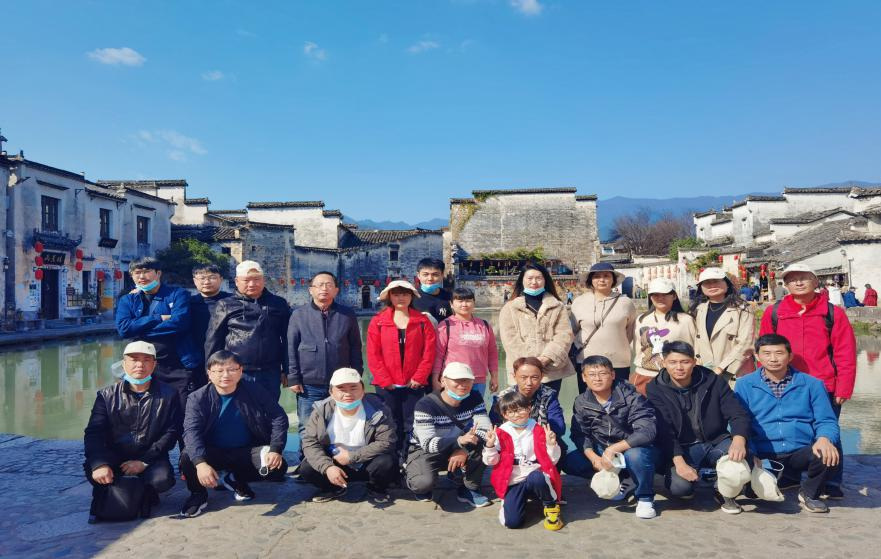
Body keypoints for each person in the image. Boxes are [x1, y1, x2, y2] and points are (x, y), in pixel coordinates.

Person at [758, 263, 856, 499]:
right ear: (785, 284)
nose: (799, 282)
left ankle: (831, 481)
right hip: (786, 384)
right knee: (793, 429)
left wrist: (844, 387)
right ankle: (791, 476)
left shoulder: (832, 313)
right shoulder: (775, 312)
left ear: (815, 281)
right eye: (793, 279)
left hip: (824, 384)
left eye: (804, 278)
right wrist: (763, 381)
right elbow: (764, 348)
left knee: (829, 432)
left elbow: (845, 352)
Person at [734, 334, 841, 513]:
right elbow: (740, 421)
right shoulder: (744, 384)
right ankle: (778, 478)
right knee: (753, 492)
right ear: (757, 357)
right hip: (762, 452)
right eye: (767, 353)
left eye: (779, 353)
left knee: (827, 450)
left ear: (790, 356)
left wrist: (824, 438)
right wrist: (751, 451)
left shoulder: (812, 384)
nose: (773, 359)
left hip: (799, 451)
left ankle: (809, 493)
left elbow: (827, 420)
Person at [178, 350, 288, 518]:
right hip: (213, 452)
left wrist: (275, 448)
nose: (225, 375)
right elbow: (191, 431)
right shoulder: (197, 398)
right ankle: (198, 494)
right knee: (188, 456)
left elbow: (278, 416)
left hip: (246, 450)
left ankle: (234, 478)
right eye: (219, 370)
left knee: (277, 468)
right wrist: (200, 464)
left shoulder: (254, 389)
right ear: (209, 373)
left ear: (241, 370)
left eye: (232, 369)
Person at [645, 341, 752, 514]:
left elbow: (737, 413)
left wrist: (739, 441)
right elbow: (665, 430)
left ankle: (723, 489)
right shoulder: (655, 388)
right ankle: (686, 478)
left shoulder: (713, 381)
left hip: (715, 441)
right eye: (673, 362)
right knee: (681, 488)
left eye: (685, 362)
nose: (679, 367)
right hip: (683, 448)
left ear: (694, 362)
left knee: (742, 457)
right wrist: (679, 463)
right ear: (664, 363)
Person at [83, 341, 181, 523]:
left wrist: (143, 461)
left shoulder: (169, 394)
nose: (140, 365)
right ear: (124, 364)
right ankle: (124, 492)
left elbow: (171, 432)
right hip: (114, 454)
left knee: (162, 479)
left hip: (150, 455)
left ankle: (144, 492)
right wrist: (99, 463)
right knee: (96, 471)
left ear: (154, 365)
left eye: (146, 360)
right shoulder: (106, 395)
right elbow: (94, 433)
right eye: (134, 359)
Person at [563, 355, 658, 519]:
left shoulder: (632, 397)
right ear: (584, 378)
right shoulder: (581, 401)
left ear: (613, 375)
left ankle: (645, 497)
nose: (597, 378)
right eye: (592, 374)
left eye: (603, 373)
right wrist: (594, 458)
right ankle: (620, 478)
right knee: (569, 461)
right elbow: (580, 434)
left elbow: (647, 431)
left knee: (636, 456)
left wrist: (613, 449)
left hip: (630, 448)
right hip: (603, 449)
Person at [298, 368, 398, 503]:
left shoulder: (379, 409)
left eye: (353, 388)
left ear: (363, 390)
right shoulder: (321, 411)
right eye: (341, 389)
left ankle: (376, 488)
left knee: (386, 462)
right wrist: (328, 467)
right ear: (331, 392)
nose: (348, 394)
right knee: (307, 467)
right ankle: (333, 488)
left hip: (366, 462)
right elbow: (310, 442)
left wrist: (352, 456)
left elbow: (387, 441)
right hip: (336, 462)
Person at [287, 271, 363, 447]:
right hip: (309, 382)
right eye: (319, 285)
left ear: (336, 290)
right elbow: (291, 347)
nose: (324, 289)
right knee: (307, 426)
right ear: (311, 290)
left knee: (340, 424)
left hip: (340, 383)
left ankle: (337, 458)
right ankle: (307, 459)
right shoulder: (299, 315)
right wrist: (293, 377)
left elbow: (355, 347)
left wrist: (357, 375)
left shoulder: (347, 314)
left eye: (329, 285)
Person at [115, 257, 199, 412]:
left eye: (146, 271)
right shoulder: (128, 300)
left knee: (180, 409)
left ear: (158, 273)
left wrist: (140, 329)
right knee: (147, 410)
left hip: (177, 365)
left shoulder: (177, 294)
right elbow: (124, 329)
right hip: (143, 366)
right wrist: (159, 318)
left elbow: (180, 323)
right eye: (137, 272)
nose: (141, 276)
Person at [367, 279, 436, 460]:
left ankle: (409, 458)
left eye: (405, 294)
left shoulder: (422, 321)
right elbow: (373, 354)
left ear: (411, 296)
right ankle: (391, 460)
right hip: (386, 384)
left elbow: (429, 353)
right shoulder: (378, 322)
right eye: (396, 294)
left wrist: (419, 377)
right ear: (389, 297)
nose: (401, 298)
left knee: (412, 422)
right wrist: (385, 380)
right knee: (389, 422)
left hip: (414, 383)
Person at [405, 362, 492, 506]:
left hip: (458, 443)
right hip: (425, 449)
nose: (463, 384)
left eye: (467, 380)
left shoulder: (475, 397)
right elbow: (428, 444)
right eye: (457, 380)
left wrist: (463, 449)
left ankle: (469, 489)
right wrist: (458, 442)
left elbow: (486, 430)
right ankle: (414, 471)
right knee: (422, 484)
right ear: (443, 381)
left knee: (489, 444)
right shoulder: (425, 405)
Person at [204, 260, 291, 401]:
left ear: (263, 280)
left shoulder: (278, 303)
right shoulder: (225, 304)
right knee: (238, 409)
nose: (252, 284)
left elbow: (287, 339)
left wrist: (287, 370)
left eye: (256, 279)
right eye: (246, 280)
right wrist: (211, 370)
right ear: (237, 281)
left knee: (269, 409)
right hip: (235, 370)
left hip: (270, 371)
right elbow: (213, 340)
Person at [483, 391, 563, 530]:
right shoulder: (500, 432)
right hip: (513, 481)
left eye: (520, 409)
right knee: (512, 523)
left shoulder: (538, 429)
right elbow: (491, 462)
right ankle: (518, 501)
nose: (517, 414)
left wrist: (551, 444)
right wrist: (490, 446)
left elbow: (552, 460)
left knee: (537, 477)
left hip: (534, 475)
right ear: (504, 415)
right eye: (511, 411)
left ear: (529, 408)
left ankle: (550, 505)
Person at [499, 262, 575, 392]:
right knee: (522, 404)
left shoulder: (557, 306)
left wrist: (546, 358)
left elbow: (564, 335)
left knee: (549, 403)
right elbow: (509, 339)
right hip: (522, 371)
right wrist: (531, 363)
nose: (534, 282)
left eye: (539, 278)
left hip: (551, 371)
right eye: (530, 278)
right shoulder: (510, 308)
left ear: (545, 280)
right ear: (522, 280)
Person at [570, 262, 636, 390]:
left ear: (613, 279)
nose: (602, 280)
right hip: (587, 361)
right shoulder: (579, 302)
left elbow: (630, 331)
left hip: (618, 361)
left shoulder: (626, 303)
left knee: (620, 397)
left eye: (606, 276)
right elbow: (574, 330)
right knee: (588, 398)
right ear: (591, 280)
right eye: (597, 276)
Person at [490, 357, 566, 459]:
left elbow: (559, 427)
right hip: (510, 444)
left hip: (541, 443)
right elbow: (494, 425)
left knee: (559, 446)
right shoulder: (502, 397)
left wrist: (530, 437)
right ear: (514, 376)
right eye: (523, 377)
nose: (529, 383)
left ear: (542, 377)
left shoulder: (549, 395)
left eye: (534, 377)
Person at [690, 267, 755, 386]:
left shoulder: (742, 309)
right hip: (705, 372)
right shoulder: (698, 310)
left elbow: (746, 343)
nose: (712, 285)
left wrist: (720, 368)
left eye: (716, 281)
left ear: (727, 284)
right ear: (701, 287)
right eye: (706, 283)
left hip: (734, 372)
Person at [630, 278, 696, 395]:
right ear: (650, 297)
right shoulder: (641, 320)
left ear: (674, 296)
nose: (660, 298)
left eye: (665, 294)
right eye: (656, 295)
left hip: (674, 377)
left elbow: (693, 349)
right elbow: (638, 347)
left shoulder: (686, 320)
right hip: (644, 375)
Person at [432, 287, 499, 396]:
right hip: (453, 379)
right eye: (460, 301)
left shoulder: (484, 325)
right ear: (451, 304)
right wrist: (435, 379)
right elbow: (438, 355)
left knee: (477, 406)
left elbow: (492, 353)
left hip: (478, 380)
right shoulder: (445, 326)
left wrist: (494, 377)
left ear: (474, 303)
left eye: (468, 301)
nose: (464, 304)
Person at [189, 264, 232, 387]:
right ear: (194, 281)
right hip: (194, 359)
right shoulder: (187, 303)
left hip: (225, 358)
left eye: (212, 277)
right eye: (202, 278)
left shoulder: (233, 301)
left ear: (221, 279)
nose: (207, 282)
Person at [412, 257, 453, 324]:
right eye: (425, 274)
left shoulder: (450, 297)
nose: (430, 278)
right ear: (418, 275)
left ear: (442, 275)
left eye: (435, 275)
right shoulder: (412, 296)